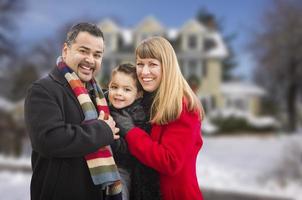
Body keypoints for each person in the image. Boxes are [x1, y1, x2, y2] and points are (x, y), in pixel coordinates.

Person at [24, 22, 122, 200]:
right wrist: (102, 130)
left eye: (97, 55)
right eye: (83, 51)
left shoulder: (99, 96)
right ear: (65, 50)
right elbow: (48, 140)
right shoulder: (43, 89)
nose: (90, 60)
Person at [111, 36, 204, 200]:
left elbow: (170, 161)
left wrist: (131, 131)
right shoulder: (146, 100)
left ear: (167, 67)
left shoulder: (183, 106)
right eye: (140, 64)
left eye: (152, 64)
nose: (144, 72)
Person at [107, 63, 161, 200]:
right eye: (114, 87)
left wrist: (110, 137)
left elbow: (130, 152)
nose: (119, 93)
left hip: (124, 167)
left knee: (119, 193)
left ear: (138, 95)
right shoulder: (106, 106)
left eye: (126, 90)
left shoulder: (138, 116)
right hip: (106, 164)